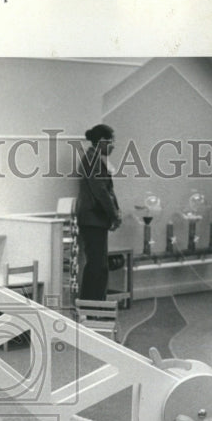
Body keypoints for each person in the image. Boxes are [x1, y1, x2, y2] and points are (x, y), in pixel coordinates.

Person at [75, 124, 122, 301]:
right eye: (111, 141)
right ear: (101, 141)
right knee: (97, 266)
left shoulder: (95, 159)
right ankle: (92, 306)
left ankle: (94, 306)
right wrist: (114, 215)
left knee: (99, 265)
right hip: (92, 219)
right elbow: (101, 192)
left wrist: (115, 212)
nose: (114, 145)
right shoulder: (92, 160)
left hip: (96, 219)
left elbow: (106, 191)